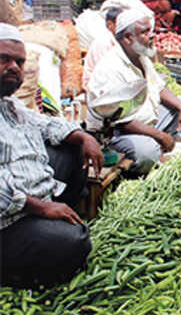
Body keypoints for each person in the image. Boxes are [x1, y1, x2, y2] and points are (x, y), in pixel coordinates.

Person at [0, 23, 104, 288]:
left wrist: (85, 137)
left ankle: (57, 216)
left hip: (27, 203)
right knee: (74, 242)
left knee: (73, 145)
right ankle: (17, 271)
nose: (13, 67)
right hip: (6, 221)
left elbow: (46, 124)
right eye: (4, 59)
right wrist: (42, 207)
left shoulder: (10, 105)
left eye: (19, 62)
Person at [87, 7, 181, 176]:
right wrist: (159, 135)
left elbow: (159, 87)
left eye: (150, 30)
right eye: (144, 32)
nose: (151, 35)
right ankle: (154, 153)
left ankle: (160, 148)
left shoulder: (140, 57)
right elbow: (121, 121)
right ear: (128, 38)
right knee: (146, 153)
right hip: (118, 134)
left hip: (147, 122)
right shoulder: (110, 68)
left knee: (180, 103)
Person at [82, 7, 123, 91]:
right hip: (97, 88)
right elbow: (105, 74)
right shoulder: (103, 43)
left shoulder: (118, 40)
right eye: (121, 23)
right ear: (110, 25)